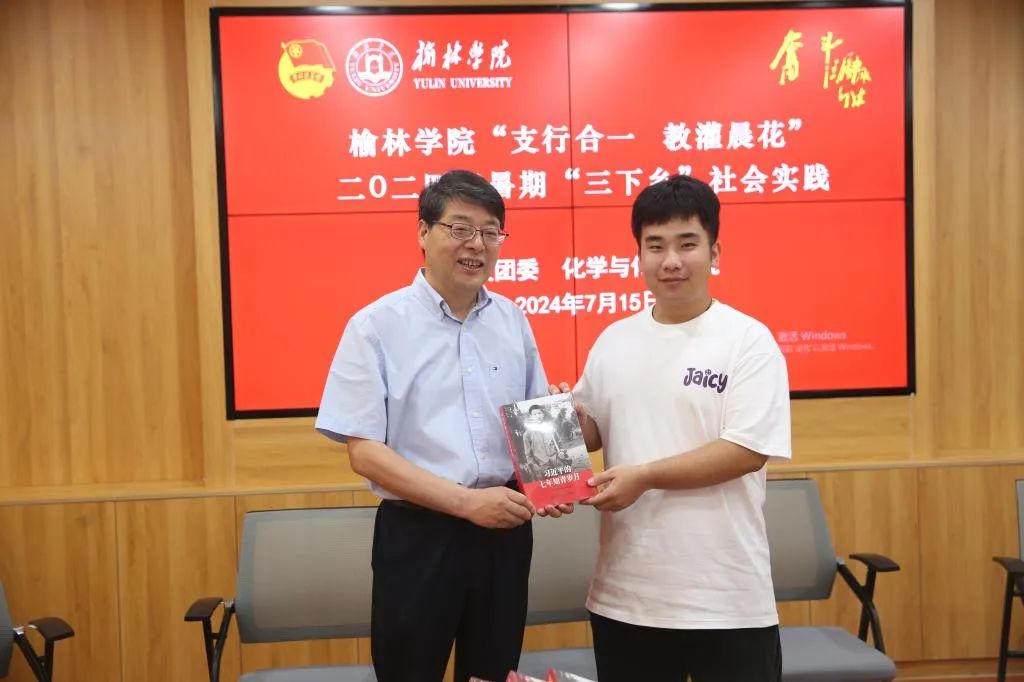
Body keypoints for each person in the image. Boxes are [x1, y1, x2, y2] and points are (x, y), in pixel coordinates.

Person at [315, 170, 572, 682]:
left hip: (503, 533)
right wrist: (465, 504)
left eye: (490, 231)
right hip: (418, 536)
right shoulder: (375, 326)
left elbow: (535, 423)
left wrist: (554, 476)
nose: (476, 244)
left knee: (494, 674)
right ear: (423, 232)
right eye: (460, 228)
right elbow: (364, 452)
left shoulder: (513, 320)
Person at [564, 174, 792, 682]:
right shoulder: (614, 339)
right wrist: (567, 422)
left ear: (714, 251)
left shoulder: (748, 340)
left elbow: (746, 450)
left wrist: (645, 476)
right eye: (655, 246)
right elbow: (594, 431)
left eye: (687, 244)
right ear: (639, 255)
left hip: (726, 601)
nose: (671, 260)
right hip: (625, 597)